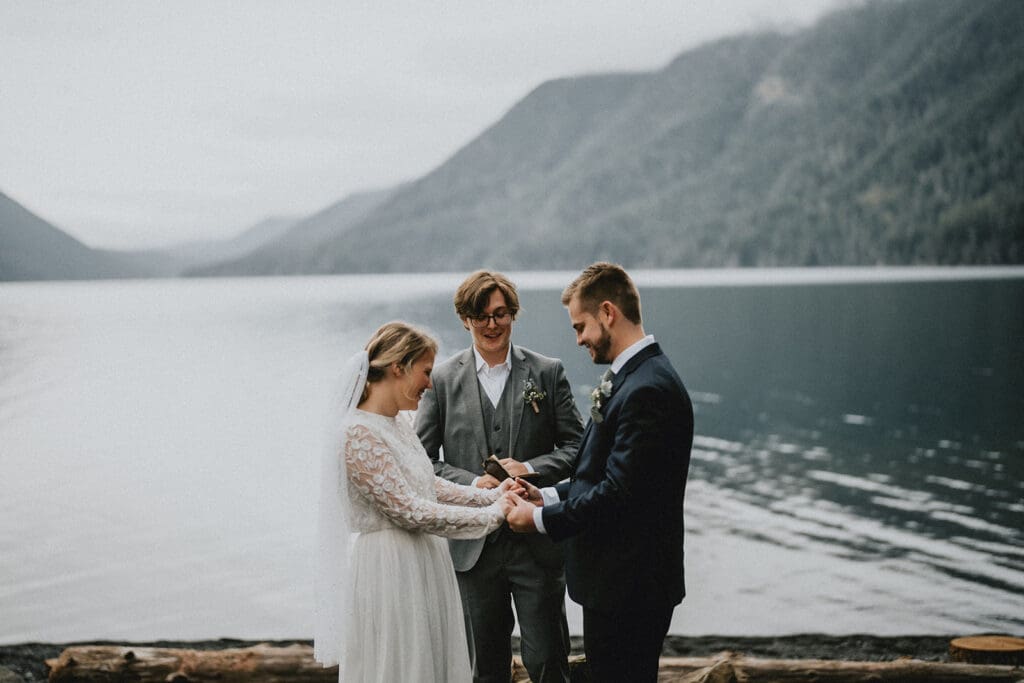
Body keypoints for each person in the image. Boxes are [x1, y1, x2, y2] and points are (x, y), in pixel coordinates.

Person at [506, 262, 693, 683]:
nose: (578, 340)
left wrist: (536, 520)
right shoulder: (634, 377)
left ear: (608, 312)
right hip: (619, 584)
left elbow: (617, 494)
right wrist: (548, 496)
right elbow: (604, 475)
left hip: (631, 586)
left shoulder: (647, 389)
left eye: (580, 326)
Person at [314, 321, 522, 683]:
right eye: (425, 372)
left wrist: (492, 494)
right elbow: (409, 509)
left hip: (423, 559)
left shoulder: (396, 423)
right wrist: (491, 516)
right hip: (390, 567)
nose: (430, 383)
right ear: (399, 367)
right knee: (402, 666)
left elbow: (429, 484)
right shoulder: (356, 432)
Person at [416, 271, 583, 683]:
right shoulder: (441, 379)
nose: (492, 324)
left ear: (512, 315)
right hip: (473, 550)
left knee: (547, 661)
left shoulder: (547, 372)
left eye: (501, 313)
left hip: (536, 546)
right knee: (483, 669)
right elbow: (420, 458)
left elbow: (579, 449)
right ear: (464, 318)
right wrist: (473, 484)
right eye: (481, 314)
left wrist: (530, 469)